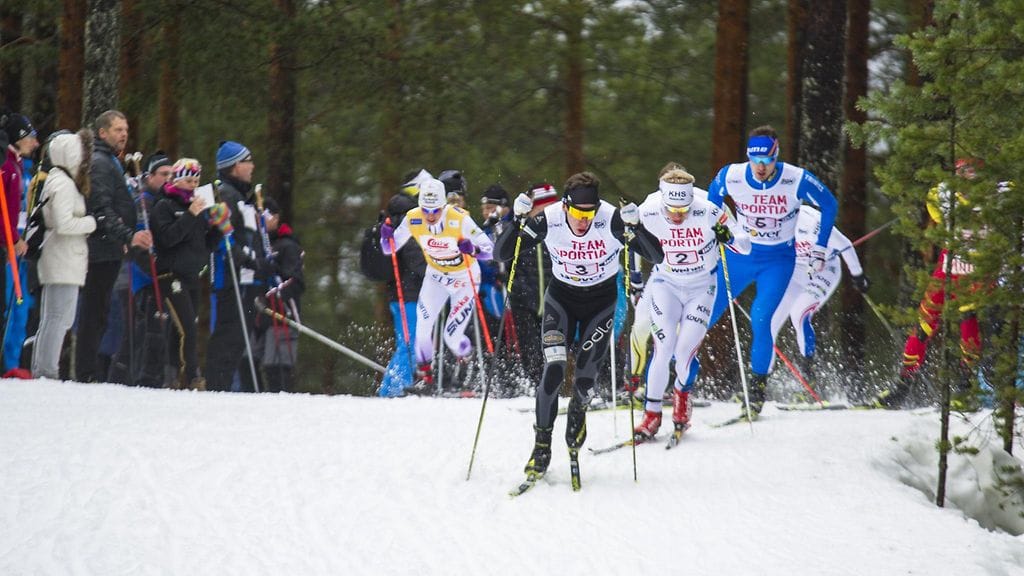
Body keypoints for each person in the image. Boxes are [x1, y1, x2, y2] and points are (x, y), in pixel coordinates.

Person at [495, 172, 664, 480]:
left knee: (585, 378)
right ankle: (541, 446)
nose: (583, 220)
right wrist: (515, 222)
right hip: (561, 301)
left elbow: (657, 256)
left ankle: (578, 412)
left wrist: (635, 226)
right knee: (555, 368)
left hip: (600, 305)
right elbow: (502, 254)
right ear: (566, 205)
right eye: (576, 212)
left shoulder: (611, 218)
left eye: (589, 213)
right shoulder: (549, 219)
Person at [705, 125, 838, 418]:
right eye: (755, 160)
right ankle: (676, 384)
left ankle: (755, 391)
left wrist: (819, 247)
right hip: (742, 253)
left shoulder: (796, 178)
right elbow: (712, 200)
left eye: (767, 160)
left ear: (776, 154)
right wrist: (717, 231)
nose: (761, 167)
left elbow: (829, 204)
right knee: (704, 312)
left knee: (762, 317)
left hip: (778, 259)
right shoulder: (733, 175)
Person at [631, 168, 750, 441]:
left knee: (684, 352)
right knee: (663, 349)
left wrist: (728, 237)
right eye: (671, 209)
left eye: (683, 209)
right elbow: (626, 239)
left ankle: (682, 398)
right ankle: (651, 415)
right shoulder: (648, 209)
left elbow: (745, 246)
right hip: (666, 285)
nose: (677, 216)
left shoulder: (709, 209)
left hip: (702, 287)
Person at [874, 159, 987, 409]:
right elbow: (934, 209)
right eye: (962, 171)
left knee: (968, 321)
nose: (967, 177)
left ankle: (965, 389)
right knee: (924, 324)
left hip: (977, 271)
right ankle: (902, 386)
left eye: (972, 171)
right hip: (948, 270)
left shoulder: (995, 195)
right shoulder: (943, 193)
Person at [380, 177, 494, 393]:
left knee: (451, 337)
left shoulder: (459, 219)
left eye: (435, 210)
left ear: (444, 206)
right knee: (422, 330)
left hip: (464, 280)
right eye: (426, 210)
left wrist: (473, 250)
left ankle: (467, 359)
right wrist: (385, 238)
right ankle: (426, 378)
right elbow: (389, 249)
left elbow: (490, 251)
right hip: (436, 278)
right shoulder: (413, 218)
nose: (430, 216)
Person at [77, 110, 153, 382]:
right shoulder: (100, 161)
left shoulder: (111, 161)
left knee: (101, 310)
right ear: (102, 133)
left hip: (110, 246)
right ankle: (86, 371)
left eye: (126, 129)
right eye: (118, 129)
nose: (124, 135)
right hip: (99, 248)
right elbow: (101, 209)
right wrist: (127, 236)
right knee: (94, 310)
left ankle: (89, 369)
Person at [769, 205, 869, 389]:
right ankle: (757, 386)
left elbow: (845, 245)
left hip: (824, 269)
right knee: (768, 323)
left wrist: (858, 275)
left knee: (799, 314)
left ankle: (808, 380)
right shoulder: (767, 220)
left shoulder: (813, 222)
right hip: (795, 271)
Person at [205, 140, 275, 392]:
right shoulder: (226, 195)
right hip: (232, 279)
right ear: (235, 166)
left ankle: (221, 387)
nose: (252, 166)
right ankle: (216, 386)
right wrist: (250, 261)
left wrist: (264, 264)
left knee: (238, 340)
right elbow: (226, 239)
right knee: (229, 337)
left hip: (248, 279)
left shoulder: (241, 197)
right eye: (248, 161)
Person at [31, 130, 97, 379]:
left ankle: (44, 367)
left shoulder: (62, 181)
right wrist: (91, 223)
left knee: (58, 317)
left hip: (66, 257)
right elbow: (64, 223)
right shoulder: (63, 183)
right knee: (57, 317)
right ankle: (47, 370)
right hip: (62, 257)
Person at [151, 158, 219, 390]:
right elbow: (167, 239)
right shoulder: (165, 206)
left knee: (180, 327)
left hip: (192, 274)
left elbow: (204, 245)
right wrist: (190, 214)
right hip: (170, 274)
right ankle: (192, 375)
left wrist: (219, 228)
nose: (193, 185)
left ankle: (171, 375)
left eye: (197, 181)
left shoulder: (198, 207)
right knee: (188, 326)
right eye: (189, 180)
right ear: (177, 180)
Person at [109, 150, 175, 387]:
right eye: (163, 174)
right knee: (138, 331)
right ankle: (128, 378)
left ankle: (131, 378)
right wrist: (152, 267)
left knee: (148, 330)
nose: (169, 178)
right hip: (137, 275)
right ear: (149, 176)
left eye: (171, 174)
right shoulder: (143, 200)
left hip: (157, 274)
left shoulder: (165, 201)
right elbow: (136, 242)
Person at [363, 170, 429, 397]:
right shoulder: (408, 216)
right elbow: (416, 258)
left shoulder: (402, 213)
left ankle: (396, 388)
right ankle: (393, 390)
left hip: (405, 293)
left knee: (409, 342)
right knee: (409, 343)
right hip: (407, 294)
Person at [505, 182, 558, 388]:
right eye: (541, 207)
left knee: (555, 348)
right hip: (524, 299)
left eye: (550, 207)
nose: (545, 212)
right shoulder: (520, 228)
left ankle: (553, 389)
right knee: (529, 348)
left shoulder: (559, 227)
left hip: (553, 299)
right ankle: (537, 387)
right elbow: (504, 255)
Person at [1, 113, 39, 376]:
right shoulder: (7, 167)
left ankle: (11, 362)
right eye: (31, 137)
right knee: (9, 304)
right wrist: (11, 239)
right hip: (9, 248)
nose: (35, 143)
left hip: (19, 246)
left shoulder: (20, 168)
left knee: (20, 305)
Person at [257, 198, 305, 393]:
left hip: (283, 313)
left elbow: (296, 281)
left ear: (275, 218)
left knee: (276, 365)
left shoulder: (288, 245)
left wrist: (273, 294)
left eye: (265, 218)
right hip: (260, 314)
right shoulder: (259, 244)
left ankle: (283, 405)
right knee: (249, 360)